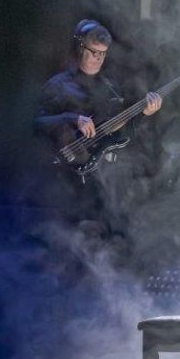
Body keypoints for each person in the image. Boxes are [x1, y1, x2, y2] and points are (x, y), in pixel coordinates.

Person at [33, 19, 162, 223]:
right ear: (80, 48)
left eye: (103, 53)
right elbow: (37, 124)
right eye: (94, 52)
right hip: (65, 185)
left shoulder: (109, 87)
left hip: (104, 185)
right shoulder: (58, 85)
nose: (99, 59)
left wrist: (144, 113)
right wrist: (72, 119)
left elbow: (119, 136)